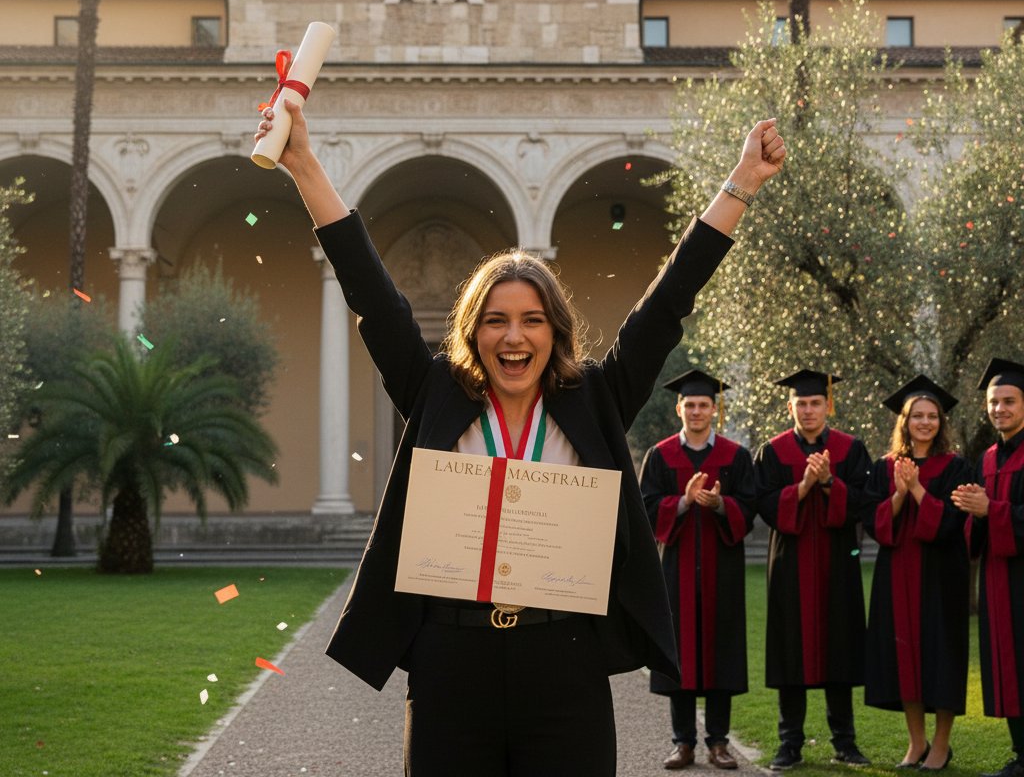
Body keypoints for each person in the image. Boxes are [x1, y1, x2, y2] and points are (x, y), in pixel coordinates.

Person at [254, 98, 785, 777]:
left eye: (532, 320)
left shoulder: (595, 398)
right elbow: (372, 295)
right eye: (496, 320)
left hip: (564, 659)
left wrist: (741, 182)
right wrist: (303, 164)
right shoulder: (435, 392)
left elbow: (667, 303)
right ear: (473, 331)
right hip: (451, 661)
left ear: (555, 331)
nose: (514, 336)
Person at [754, 369, 873, 770]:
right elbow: (765, 506)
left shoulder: (850, 449)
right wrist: (805, 485)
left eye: (815, 403)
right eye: (801, 403)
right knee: (790, 652)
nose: (808, 410)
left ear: (828, 405)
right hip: (790, 565)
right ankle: (790, 743)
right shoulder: (772, 452)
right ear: (790, 407)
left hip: (838, 565)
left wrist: (829, 483)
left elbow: (862, 503)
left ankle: (845, 742)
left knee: (840, 648)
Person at [639, 369, 756, 771]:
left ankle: (719, 743)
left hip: (723, 572)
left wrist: (720, 504)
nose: (696, 411)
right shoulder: (660, 456)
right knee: (680, 655)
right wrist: (684, 502)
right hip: (676, 571)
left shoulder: (736, 456)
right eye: (689, 405)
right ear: (679, 409)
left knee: (721, 653)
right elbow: (645, 508)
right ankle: (683, 743)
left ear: (714, 410)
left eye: (703, 405)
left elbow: (751, 507)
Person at [862, 375, 970, 771]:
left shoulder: (956, 467)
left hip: (942, 576)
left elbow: (953, 524)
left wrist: (919, 489)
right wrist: (900, 492)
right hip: (896, 574)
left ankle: (941, 744)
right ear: (904, 422)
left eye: (932, 416)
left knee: (942, 656)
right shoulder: (884, 467)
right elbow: (874, 524)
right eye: (917, 416)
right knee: (903, 651)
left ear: (941, 422)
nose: (925, 423)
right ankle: (917, 742)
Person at [951, 357, 1024, 777]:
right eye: (994, 402)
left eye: (1009, 401)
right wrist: (974, 512)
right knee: (1009, 666)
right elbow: (976, 528)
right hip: (999, 580)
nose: (1000, 409)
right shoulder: (988, 459)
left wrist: (989, 510)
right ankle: (1021, 754)